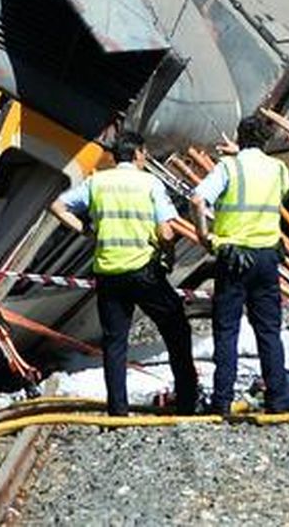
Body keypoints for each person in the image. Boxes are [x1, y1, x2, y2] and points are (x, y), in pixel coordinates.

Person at [49, 131, 199, 416]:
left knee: (115, 342)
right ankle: (188, 401)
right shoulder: (149, 183)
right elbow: (166, 230)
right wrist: (168, 254)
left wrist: (86, 231)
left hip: (108, 272)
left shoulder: (98, 182)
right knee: (176, 329)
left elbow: (57, 205)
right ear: (139, 153)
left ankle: (117, 410)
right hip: (144, 271)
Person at [189, 114, 289, 414]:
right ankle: (279, 399)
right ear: (266, 141)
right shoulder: (279, 168)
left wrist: (204, 235)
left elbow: (198, 200)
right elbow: (275, 186)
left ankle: (222, 401)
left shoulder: (228, 167)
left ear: (239, 137)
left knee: (227, 330)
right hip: (266, 257)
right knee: (269, 331)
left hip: (233, 257)